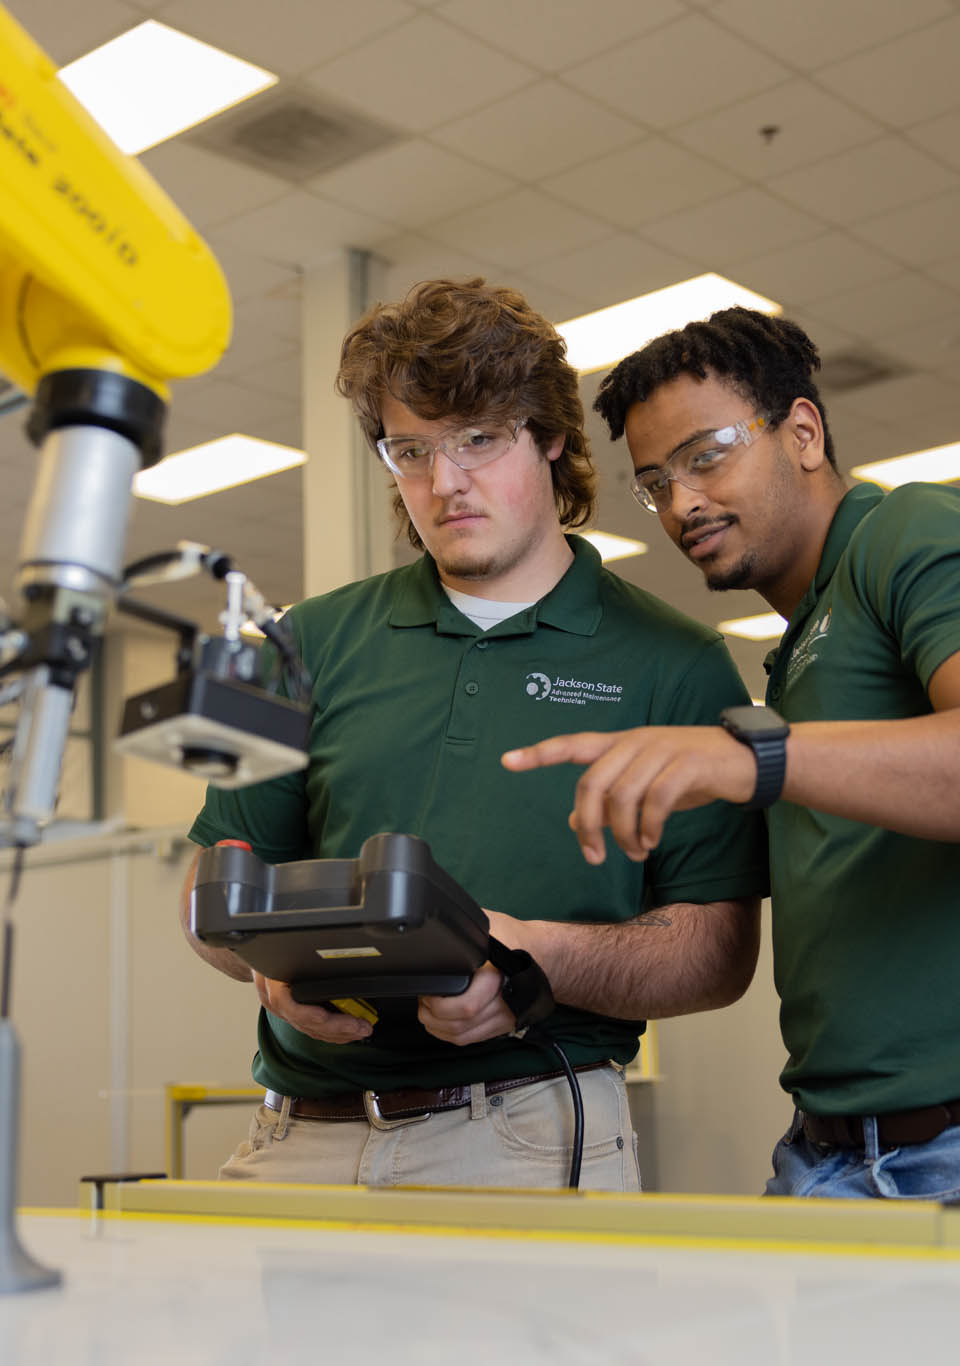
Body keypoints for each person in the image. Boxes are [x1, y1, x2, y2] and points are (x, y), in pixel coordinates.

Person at [503, 307, 960, 1251]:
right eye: (655, 483)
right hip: (835, 1157)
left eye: (706, 456)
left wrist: (755, 755)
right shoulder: (802, 646)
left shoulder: (916, 530)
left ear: (804, 432)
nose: (682, 503)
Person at [180, 279, 768, 1191]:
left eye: (478, 441)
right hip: (300, 1135)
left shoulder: (677, 662)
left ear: (551, 436)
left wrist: (529, 957)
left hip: (531, 1131)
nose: (443, 482)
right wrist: (267, 965)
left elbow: (716, 955)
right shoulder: (298, 642)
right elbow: (212, 890)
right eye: (410, 450)